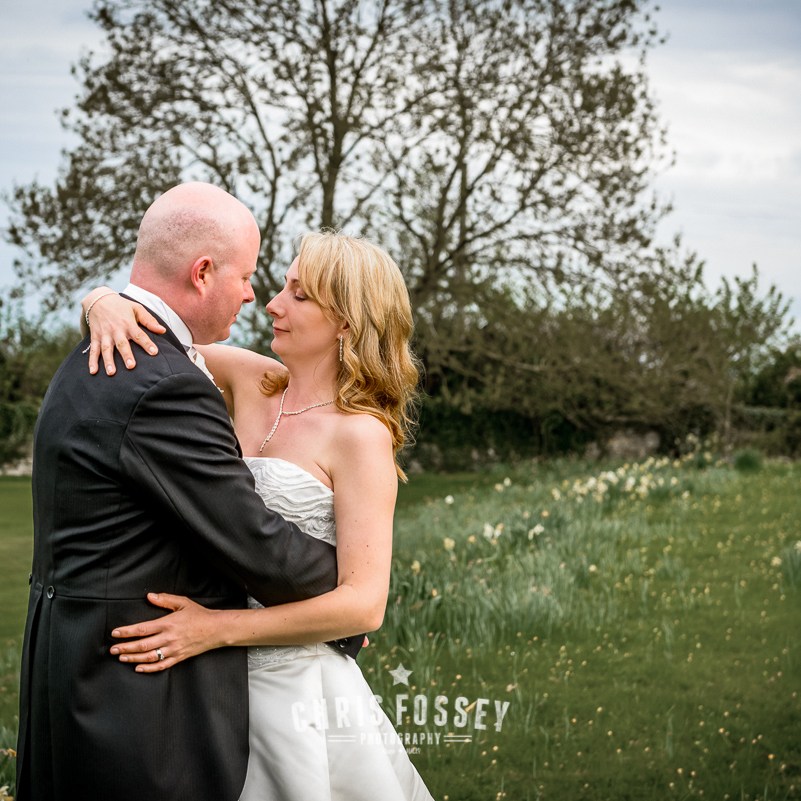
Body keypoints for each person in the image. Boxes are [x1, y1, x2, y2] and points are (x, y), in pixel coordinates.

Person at [17, 183, 363, 801]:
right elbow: (252, 538)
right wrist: (348, 601)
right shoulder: (163, 382)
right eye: (248, 277)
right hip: (135, 707)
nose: (258, 297)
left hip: (77, 675)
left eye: (294, 291)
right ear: (202, 273)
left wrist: (99, 300)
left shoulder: (98, 355)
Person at [80, 229, 434, 799]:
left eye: (298, 294)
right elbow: (153, 339)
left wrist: (214, 629)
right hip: (204, 681)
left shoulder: (360, 436)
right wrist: (99, 301)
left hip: (293, 688)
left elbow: (364, 605)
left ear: (346, 322)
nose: (271, 303)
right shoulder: (251, 378)